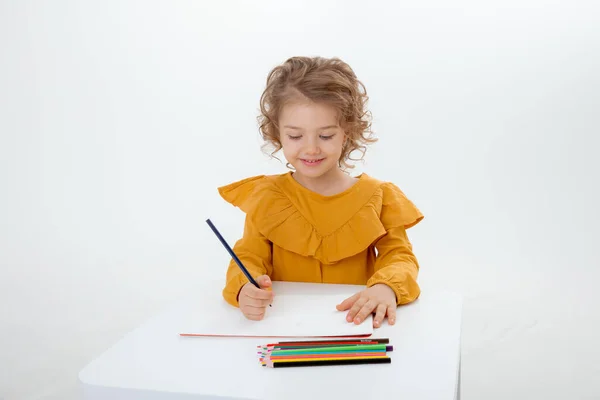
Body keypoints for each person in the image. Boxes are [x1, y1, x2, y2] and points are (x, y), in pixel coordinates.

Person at [217, 56, 423, 328]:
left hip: (356, 327)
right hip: (283, 327)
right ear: (277, 133)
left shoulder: (378, 196)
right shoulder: (267, 196)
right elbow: (248, 257)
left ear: (347, 132)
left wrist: (387, 287)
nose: (311, 148)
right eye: (295, 136)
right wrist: (245, 287)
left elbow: (399, 256)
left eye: (325, 136)